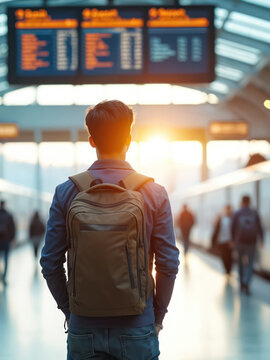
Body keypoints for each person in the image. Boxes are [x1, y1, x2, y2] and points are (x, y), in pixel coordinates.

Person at [40, 100, 180, 359]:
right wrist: (155, 316)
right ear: (129, 137)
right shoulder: (154, 193)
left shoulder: (66, 192)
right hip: (138, 325)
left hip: (84, 328)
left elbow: (50, 263)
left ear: (91, 140)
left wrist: (70, 312)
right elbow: (168, 264)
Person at [231, 195, 264, 295]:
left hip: (240, 242)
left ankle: (241, 283)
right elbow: (260, 227)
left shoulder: (237, 213)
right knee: (250, 263)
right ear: (249, 202)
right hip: (252, 242)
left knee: (240, 263)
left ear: (242, 202)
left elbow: (232, 228)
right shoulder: (254, 213)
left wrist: (233, 240)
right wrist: (261, 240)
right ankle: (246, 282)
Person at [211, 204, 234, 275]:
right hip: (221, 241)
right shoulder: (221, 218)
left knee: (229, 256)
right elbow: (216, 229)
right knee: (224, 256)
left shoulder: (233, 218)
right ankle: (226, 269)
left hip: (229, 241)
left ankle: (228, 270)